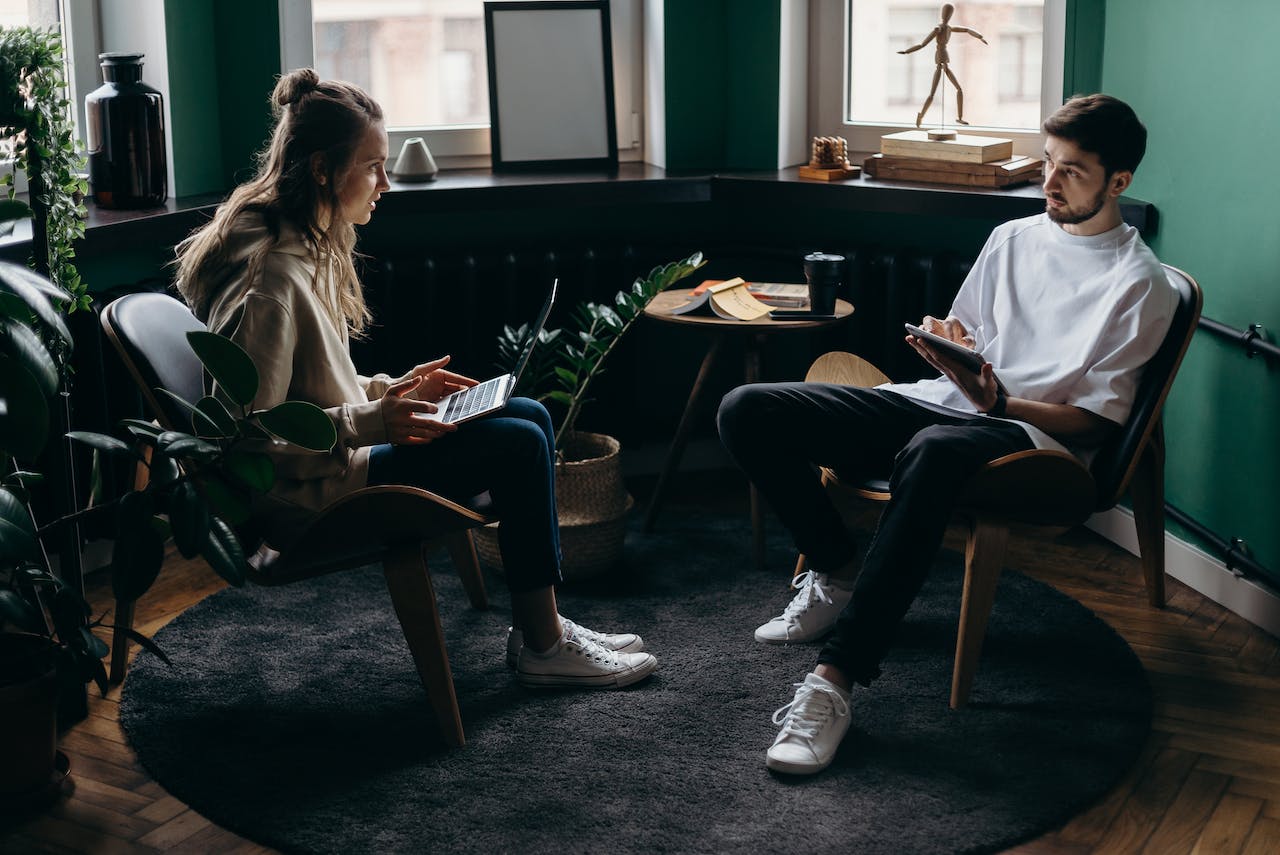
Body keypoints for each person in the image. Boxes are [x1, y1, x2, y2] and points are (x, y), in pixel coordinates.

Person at [717, 94, 1177, 775]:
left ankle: (835, 680)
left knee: (929, 452)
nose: (1049, 182)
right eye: (1048, 163)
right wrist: (949, 345)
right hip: (949, 403)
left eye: (1072, 171)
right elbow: (971, 332)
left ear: (1119, 183)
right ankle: (837, 567)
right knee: (746, 408)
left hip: (1033, 441)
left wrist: (1002, 399)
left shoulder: (1141, 284)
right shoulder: (1012, 238)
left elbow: (1093, 422)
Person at [175, 68, 657, 689]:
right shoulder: (272, 280)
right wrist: (375, 421)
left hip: (340, 463)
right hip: (310, 501)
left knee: (530, 415)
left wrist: (390, 391)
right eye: (372, 165)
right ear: (323, 170)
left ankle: (546, 625)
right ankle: (542, 643)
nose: (385, 182)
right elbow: (246, 443)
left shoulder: (303, 243)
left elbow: (313, 388)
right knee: (520, 442)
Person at [898, 3, 988, 128]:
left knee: (958, 89)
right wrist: (907, 51)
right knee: (933, 93)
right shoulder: (938, 29)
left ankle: (960, 118)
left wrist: (980, 37)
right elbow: (922, 44)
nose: (947, 16)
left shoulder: (950, 28)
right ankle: (921, 115)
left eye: (949, 14)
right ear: (942, 14)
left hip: (944, 56)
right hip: (940, 57)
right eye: (946, 13)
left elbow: (967, 30)